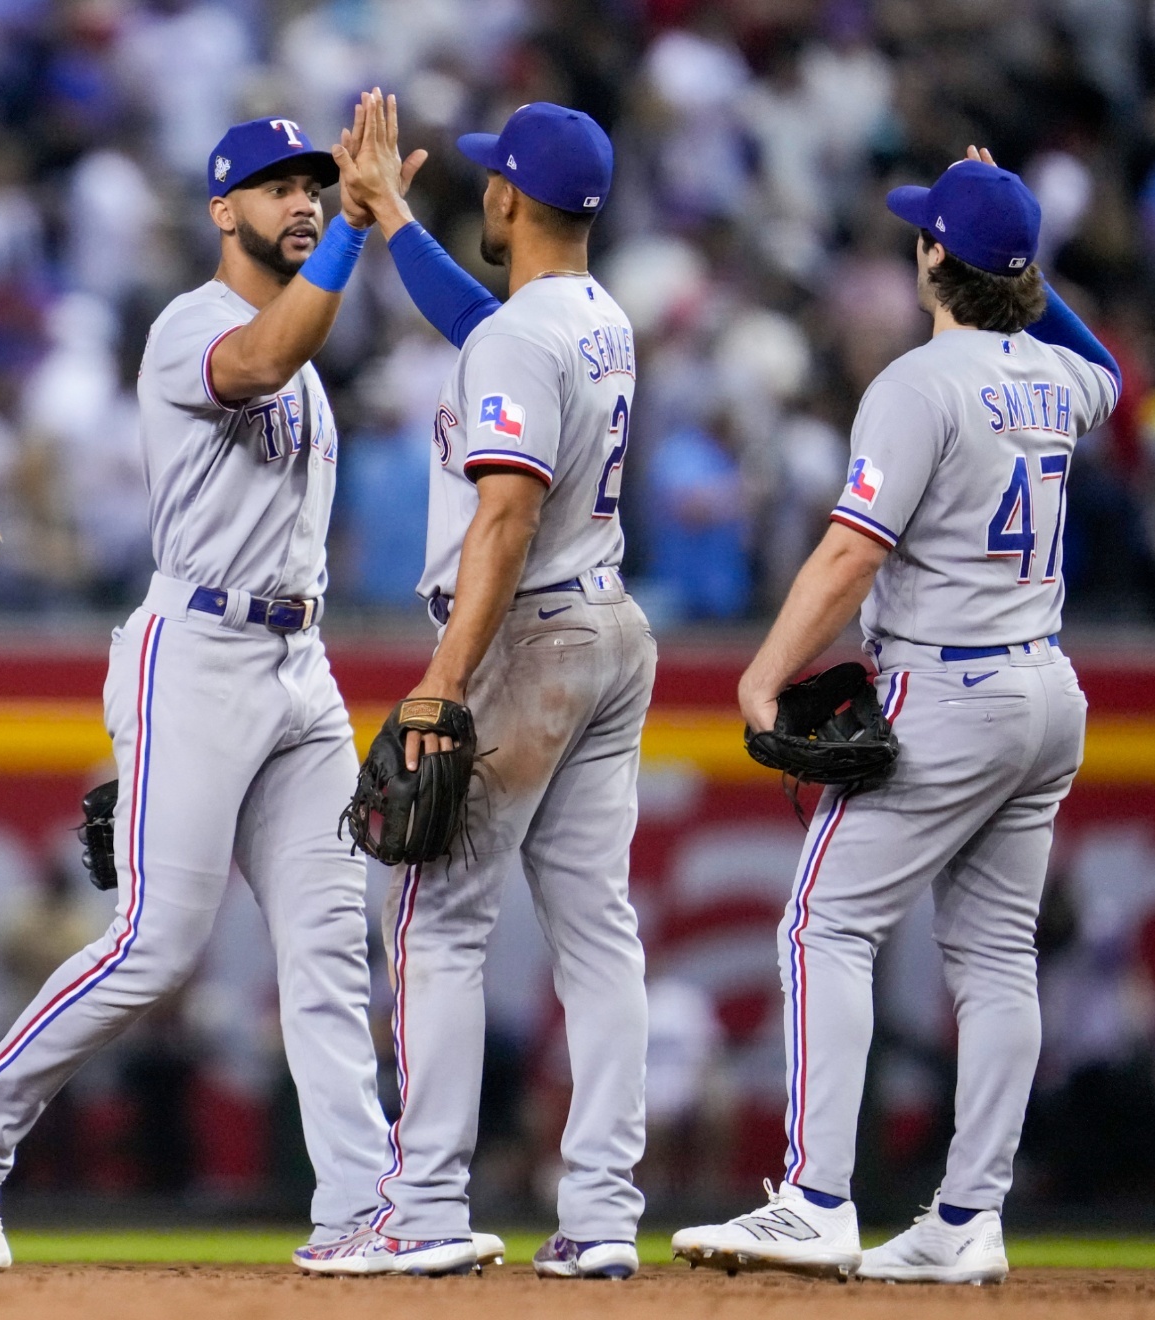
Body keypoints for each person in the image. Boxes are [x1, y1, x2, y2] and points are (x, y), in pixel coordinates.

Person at [0, 104, 488, 1274]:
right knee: (154, 945)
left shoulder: (316, 351)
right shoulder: (191, 326)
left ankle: (355, 1215)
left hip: (298, 663)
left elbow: (343, 345)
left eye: (314, 184)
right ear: (223, 208)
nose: (303, 200)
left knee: (332, 947)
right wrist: (352, 242)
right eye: (278, 186)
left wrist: (386, 220)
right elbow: (264, 359)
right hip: (199, 648)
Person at [669, 148, 1121, 1285]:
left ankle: (818, 1197)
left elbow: (848, 554)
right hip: (1046, 692)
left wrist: (765, 670)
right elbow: (1103, 359)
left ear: (934, 261)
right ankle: (969, 1218)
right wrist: (1019, 262)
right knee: (997, 956)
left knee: (822, 924)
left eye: (928, 234)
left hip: (951, 686)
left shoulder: (917, 385)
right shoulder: (1059, 382)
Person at [300, 95, 655, 1280]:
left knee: (438, 918)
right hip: (609, 625)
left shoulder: (520, 337)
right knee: (597, 931)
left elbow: (503, 510)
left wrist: (442, 685)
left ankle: (427, 1209)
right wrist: (393, 217)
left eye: (492, 179)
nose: (484, 189)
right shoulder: (596, 317)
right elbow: (482, 325)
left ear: (509, 197)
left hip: (523, 639)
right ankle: (603, 1215)